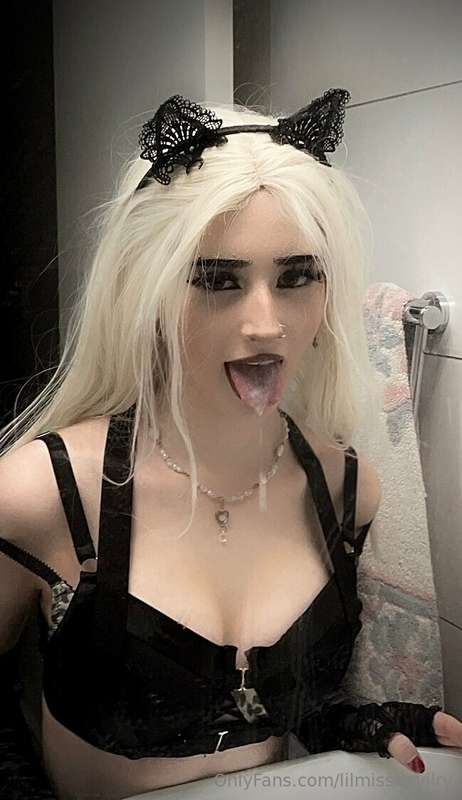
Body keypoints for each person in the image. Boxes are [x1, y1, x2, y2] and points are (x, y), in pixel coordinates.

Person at [0, 89, 461, 800]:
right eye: (218, 280)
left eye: (296, 276)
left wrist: (351, 725)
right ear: (147, 291)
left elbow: (256, 704)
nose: (265, 323)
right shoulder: (42, 494)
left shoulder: (347, 489)